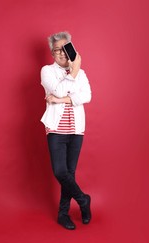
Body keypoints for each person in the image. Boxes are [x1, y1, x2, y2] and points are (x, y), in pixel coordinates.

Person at [40, 31, 92, 230]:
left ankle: (63, 214)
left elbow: (86, 96)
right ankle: (83, 200)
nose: (61, 53)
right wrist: (74, 72)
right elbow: (58, 89)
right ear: (52, 54)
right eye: (56, 50)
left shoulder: (82, 72)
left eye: (64, 49)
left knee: (70, 173)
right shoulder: (46, 71)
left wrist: (60, 99)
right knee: (60, 171)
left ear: (70, 49)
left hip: (76, 129)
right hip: (56, 129)